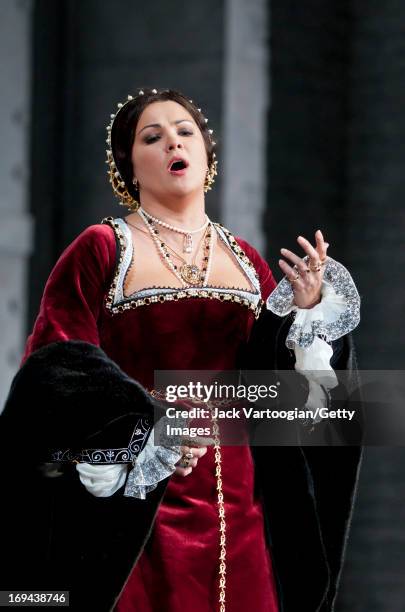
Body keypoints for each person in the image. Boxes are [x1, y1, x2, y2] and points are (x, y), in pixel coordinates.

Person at [0, 88, 362, 612]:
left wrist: (306, 312)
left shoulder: (246, 261)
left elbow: (283, 397)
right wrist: (145, 419)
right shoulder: (103, 248)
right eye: (153, 136)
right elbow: (56, 364)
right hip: (142, 500)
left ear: (206, 156)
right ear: (129, 164)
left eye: (185, 131)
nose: (173, 140)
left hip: (242, 506)